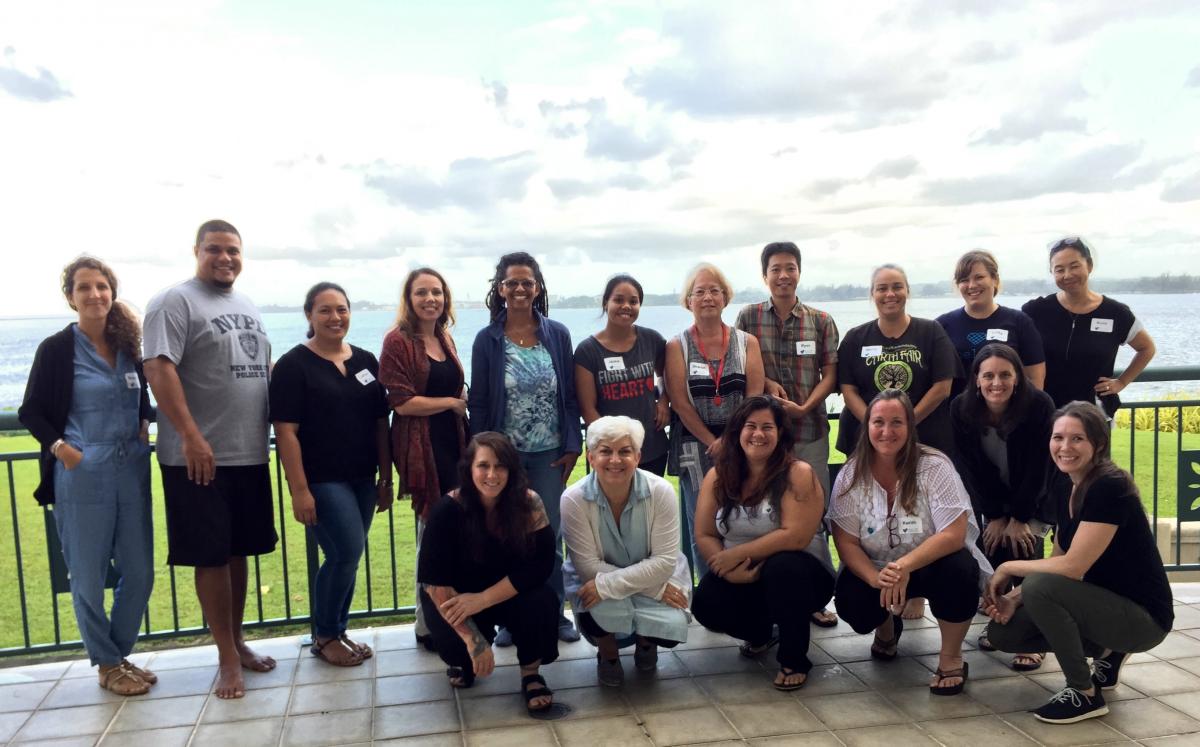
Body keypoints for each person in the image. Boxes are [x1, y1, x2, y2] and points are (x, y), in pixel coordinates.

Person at [143, 220, 278, 699]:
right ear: (196, 251)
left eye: (234, 251)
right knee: (211, 554)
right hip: (197, 457)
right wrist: (190, 436)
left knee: (237, 551)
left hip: (247, 453)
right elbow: (158, 367)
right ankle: (224, 657)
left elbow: (260, 368)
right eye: (215, 250)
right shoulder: (173, 302)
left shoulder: (245, 304)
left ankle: (237, 641)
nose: (226, 258)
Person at [984, 402, 1172, 724]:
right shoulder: (1064, 483)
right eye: (1058, 438)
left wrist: (1007, 568)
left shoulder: (1109, 487)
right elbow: (1058, 557)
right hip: (1103, 604)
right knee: (1004, 634)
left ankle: (1084, 693)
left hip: (1144, 619)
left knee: (1042, 587)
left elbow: (1073, 567)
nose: (1064, 447)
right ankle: (1108, 653)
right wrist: (1013, 598)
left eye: (1077, 439)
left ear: (1098, 444)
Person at [19, 257, 156, 695]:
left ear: (112, 292)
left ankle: (116, 655)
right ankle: (109, 664)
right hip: (82, 472)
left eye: (102, 286)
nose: (95, 294)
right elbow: (31, 411)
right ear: (70, 297)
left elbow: (140, 395)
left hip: (131, 468)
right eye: (85, 287)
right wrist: (62, 449)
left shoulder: (128, 345)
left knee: (139, 571)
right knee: (88, 573)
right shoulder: (57, 349)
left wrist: (145, 421)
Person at [829, 390, 991, 696]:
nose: (886, 431)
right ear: (866, 426)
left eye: (896, 422)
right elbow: (846, 542)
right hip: (877, 568)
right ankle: (886, 629)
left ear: (910, 426)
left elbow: (953, 533)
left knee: (961, 571)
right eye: (878, 422)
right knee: (851, 601)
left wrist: (903, 566)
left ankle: (951, 657)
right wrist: (878, 578)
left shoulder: (935, 466)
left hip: (931, 564)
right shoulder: (850, 473)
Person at [270, 282, 393, 666]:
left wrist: (386, 478)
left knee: (348, 557)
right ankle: (324, 636)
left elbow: (380, 423)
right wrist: (299, 490)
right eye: (324, 310)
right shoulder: (293, 366)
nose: (334, 317)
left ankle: (338, 630)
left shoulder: (366, 361)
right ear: (309, 315)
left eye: (341, 309)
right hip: (322, 480)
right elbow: (285, 432)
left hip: (362, 477)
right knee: (345, 552)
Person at [468, 252, 582, 642]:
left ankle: (554, 615)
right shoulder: (488, 340)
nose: (519, 289)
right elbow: (479, 402)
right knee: (505, 537)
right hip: (504, 460)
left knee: (547, 538)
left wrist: (571, 444)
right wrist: (482, 459)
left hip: (550, 455)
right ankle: (509, 620)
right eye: (512, 283)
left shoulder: (558, 334)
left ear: (538, 288)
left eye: (527, 282)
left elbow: (569, 397)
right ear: (500, 290)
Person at [691, 396, 834, 690]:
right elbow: (705, 534)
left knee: (782, 568)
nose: (758, 434)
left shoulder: (798, 473)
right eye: (751, 426)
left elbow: (795, 536)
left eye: (768, 427)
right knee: (706, 602)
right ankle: (760, 634)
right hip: (743, 573)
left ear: (780, 433)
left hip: (802, 575)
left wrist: (738, 554)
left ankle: (794, 658)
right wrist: (728, 570)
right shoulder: (717, 476)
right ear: (737, 432)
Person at [418, 432, 563, 717]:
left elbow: (540, 565)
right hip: (458, 597)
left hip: (508, 593)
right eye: (483, 466)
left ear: (512, 470)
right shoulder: (448, 509)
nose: (492, 475)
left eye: (500, 466)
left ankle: (530, 674)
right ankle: (466, 659)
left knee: (542, 601)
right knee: (459, 651)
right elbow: (435, 583)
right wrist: (474, 642)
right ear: (469, 469)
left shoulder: (529, 503)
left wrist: (482, 599)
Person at [735, 241, 840, 627]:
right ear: (765, 275)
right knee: (764, 512)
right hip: (764, 437)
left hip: (809, 430)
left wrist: (808, 405)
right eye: (775, 268)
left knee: (813, 514)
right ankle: (763, 588)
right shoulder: (747, 317)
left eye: (790, 268)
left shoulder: (821, 320)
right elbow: (743, 365)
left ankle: (815, 595)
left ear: (799, 272)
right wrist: (771, 388)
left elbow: (830, 374)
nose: (783, 275)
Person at [561, 416, 691, 686]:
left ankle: (646, 644)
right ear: (591, 456)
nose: (615, 460)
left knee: (670, 627)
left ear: (638, 456)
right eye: (605, 451)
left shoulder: (661, 491)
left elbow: (665, 562)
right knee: (594, 601)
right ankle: (608, 655)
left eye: (625, 451)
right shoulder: (573, 499)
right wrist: (654, 589)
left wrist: (619, 584)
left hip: (638, 578)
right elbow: (587, 568)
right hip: (612, 582)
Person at [950, 343, 1057, 671]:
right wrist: (996, 515)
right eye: (989, 376)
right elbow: (971, 468)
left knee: (1026, 554)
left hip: (1035, 497)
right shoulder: (961, 409)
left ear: (1018, 378)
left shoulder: (1038, 405)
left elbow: (1040, 467)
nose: (997, 383)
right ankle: (1002, 623)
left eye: (1005, 375)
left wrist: (1021, 517)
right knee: (994, 554)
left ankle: (1034, 635)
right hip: (992, 500)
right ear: (977, 380)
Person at [379, 268, 468, 650]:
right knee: (431, 538)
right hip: (423, 449)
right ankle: (427, 624)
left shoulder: (443, 337)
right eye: (422, 293)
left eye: (437, 292)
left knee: (455, 536)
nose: (430, 299)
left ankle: (455, 616)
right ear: (409, 298)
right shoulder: (398, 341)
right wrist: (451, 402)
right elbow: (400, 401)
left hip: (454, 444)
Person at [666, 262, 765, 578]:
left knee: (747, 518)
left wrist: (732, 441)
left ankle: (749, 588)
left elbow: (754, 396)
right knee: (703, 523)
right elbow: (680, 402)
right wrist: (714, 443)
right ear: (688, 301)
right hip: (695, 448)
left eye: (714, 290)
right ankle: (713, 591)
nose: (707, 297)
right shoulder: (676, 346)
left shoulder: (746, 342)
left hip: (744, 444)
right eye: (700, 292)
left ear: (725, 297)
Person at [1022, 237, 1156, 414]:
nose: (1067, 275)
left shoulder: (1115, 313)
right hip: (1046, 413)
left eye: (1075, 266)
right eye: (1059, 270)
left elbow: (1147, 348)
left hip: (1094, 416)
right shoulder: (1035, 310)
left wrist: (1121, 382)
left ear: (1089, 265)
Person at [837, 264, 959, 457]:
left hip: (924, 438)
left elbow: (942, 387)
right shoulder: (855, 338)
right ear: (872, 294)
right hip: (866, 443)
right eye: (882, 288)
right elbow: (848, 390)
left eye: (897, 287)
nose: (890, 294)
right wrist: (875, 426)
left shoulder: (932, 332)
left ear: (907, 291)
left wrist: (906, 424)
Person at [574, 274, 670, 475]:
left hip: (651, 448)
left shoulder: (652, 340)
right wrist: (614, 446)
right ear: (605, 303)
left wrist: (663, 400)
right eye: (618, 300)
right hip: (611, 455)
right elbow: (587, 409)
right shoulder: (587, 351)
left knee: (649, 505)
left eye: (633, 301)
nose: (626, 306)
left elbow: (667, 375)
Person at [936, 249, 1045, 397]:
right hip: (958, 416)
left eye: (979, 277)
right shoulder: (942, 326)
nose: (972, 285)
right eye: (964, 280)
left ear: (995, 279)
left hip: (1010, 416)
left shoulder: (1019, 322)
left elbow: (1035, 378)